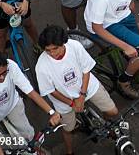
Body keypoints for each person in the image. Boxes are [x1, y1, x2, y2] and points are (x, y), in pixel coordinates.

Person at [36, 25, 118, 155]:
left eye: (55, 48)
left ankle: (105, 124)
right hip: (64, 101)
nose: (52, 53)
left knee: (112, 112)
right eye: (48, 50)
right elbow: (52, 91)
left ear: (63, 43)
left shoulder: (75, 46)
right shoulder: (41, 66)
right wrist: (72, 103)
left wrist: (82, 95)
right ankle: (69, 152)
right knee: (68, 129)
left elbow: (86, 70)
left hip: (87, 87)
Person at [0, 51, 61, 155]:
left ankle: (34, 149)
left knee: (28, 133)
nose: (2, 78)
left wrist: (52, 112)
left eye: (4, 73)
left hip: (11, 104)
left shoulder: (11, 66)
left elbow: (30, 91)